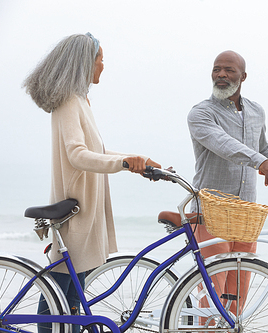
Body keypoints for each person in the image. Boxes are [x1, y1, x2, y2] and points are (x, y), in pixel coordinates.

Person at [23, 33, 161, 333]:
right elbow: (78, 155)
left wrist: (136, 160)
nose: (103, 65)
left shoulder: (81, 100)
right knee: (58, 301)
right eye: (100, 59)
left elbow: (96, 151)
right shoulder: (68, 101)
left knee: (71, 302)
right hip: (75, 211)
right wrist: (123, 163)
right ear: (85, 63)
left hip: (86, 209)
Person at [187, 50, 268, 312]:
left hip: (245, 215)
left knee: (237, 296)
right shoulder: (201, 113)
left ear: (243, 76)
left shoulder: (255, 111)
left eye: (228, 70)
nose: (221, 74)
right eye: (217, 69)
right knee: (211, 296)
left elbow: (263, 147)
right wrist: (260, 162)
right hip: (211, 212)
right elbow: (223, 144)